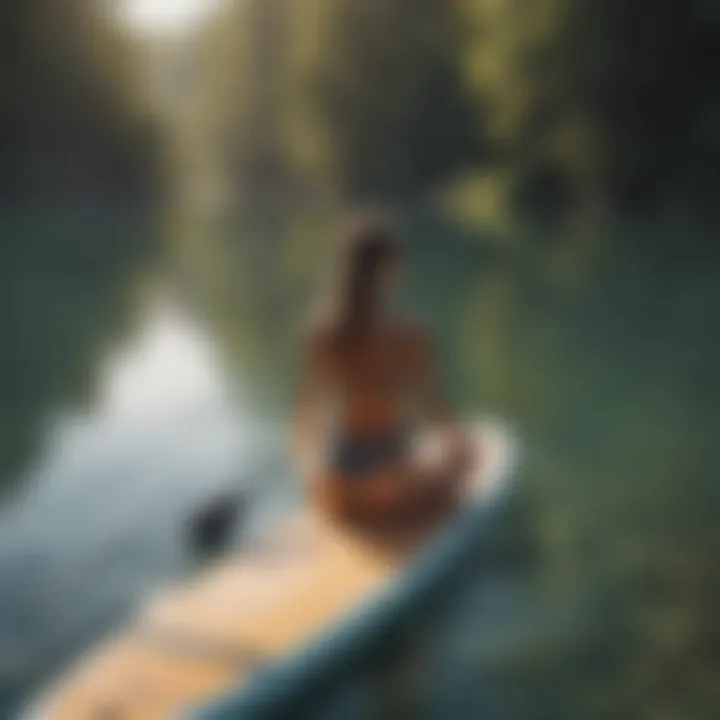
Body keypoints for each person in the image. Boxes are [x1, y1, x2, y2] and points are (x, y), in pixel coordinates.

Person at [291, 214, 474, 530]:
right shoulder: (408, 332)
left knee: (347, 475)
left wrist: (311, 471)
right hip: (388, 480)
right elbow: (436, 409)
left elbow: (306, 415)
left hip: (337, 479)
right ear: (390, 268)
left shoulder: (323, 330)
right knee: (467, 460)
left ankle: (353, 501)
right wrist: (462, 448)